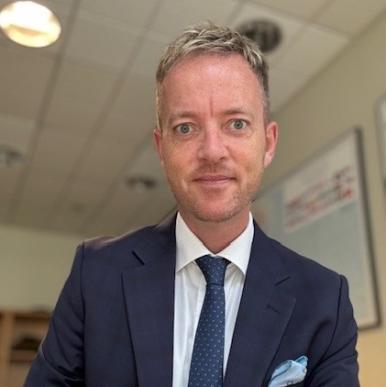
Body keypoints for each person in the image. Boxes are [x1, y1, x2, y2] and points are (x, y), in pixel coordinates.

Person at [25, 23, 359, 387]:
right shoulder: (95, 275)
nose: (213, 151)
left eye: (236, 123)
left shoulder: (326, 300)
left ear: (268, 142)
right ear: (161, 148)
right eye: (186, 128)